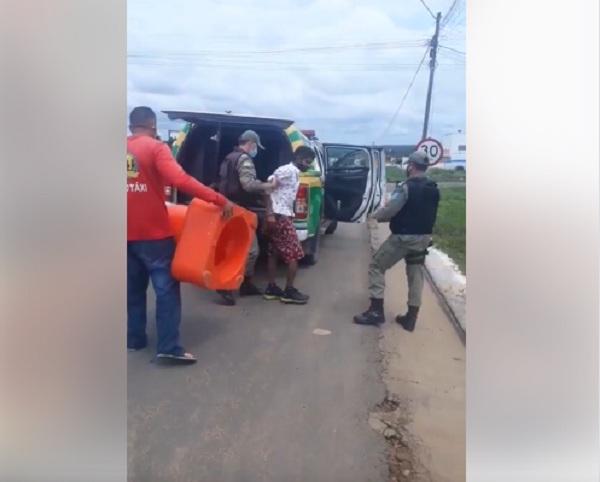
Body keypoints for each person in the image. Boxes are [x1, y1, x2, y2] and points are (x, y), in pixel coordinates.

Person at [127, 106, 233, 364]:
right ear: (152, 125)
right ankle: (168, 347)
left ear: (132, 125)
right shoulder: (154, 147)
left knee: (132, 289)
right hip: (153, 234)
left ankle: (134, 339)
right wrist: (218, 198)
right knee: (166, 290)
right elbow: (180, 180)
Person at [353, 150, 440, 331]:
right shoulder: (434, 187)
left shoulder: (406, 187)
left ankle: (376, 311)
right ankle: (411, 318)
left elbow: (391, 210)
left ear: (411, 167)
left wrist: (373, 216)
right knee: (415, 274)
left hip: (403, 238)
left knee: (377, 266)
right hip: (423, 238)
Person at [216, 130, 276, 305]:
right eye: (256, 146)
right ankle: (227, 284)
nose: (256, 150)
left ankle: (245, 283)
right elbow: (248, 185)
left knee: (235, 248)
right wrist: (269, 185)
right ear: (250, 143)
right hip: (239, 210)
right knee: (250, 251)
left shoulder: (229, 157)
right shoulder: (244, 159)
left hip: (228, 207)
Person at [263, 146, 314, 304]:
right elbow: (267, 187)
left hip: (278, 215)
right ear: (298, 158)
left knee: (274, 252)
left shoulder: (294, 173)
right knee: (295, 254)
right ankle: (289, 291)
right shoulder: (288, 170)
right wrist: (270, 213)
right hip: (281, 216)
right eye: (306, 161)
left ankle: (271, 288)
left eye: (310, 163)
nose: (308, 165)